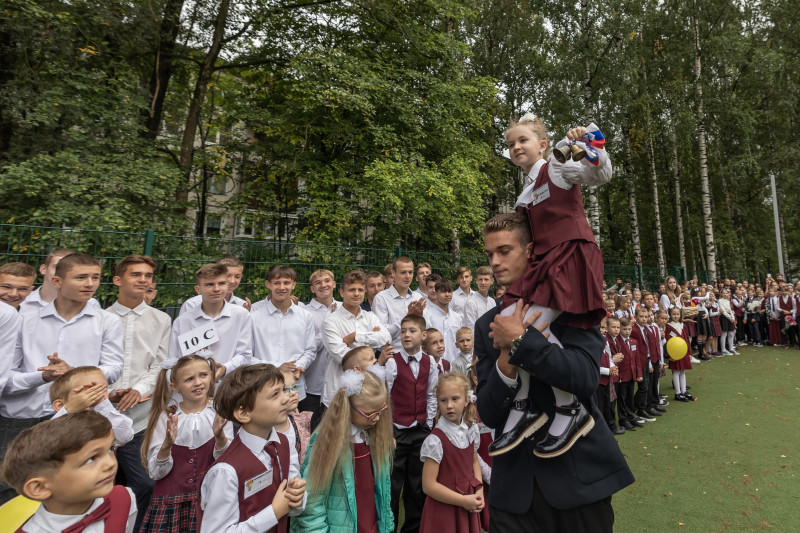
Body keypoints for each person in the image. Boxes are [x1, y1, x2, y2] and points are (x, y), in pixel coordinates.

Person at [476, 212, 633, 531]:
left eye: (504, 251)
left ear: (530, 250)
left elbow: (585, 378)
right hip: (513, 492)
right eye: (489, 254)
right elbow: (489, 413)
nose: (494, 261)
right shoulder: (486, 325)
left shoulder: (572, 308)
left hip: (579, 480)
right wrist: (506, 356)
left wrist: (522, 340)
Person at [497, 116, 612, 458]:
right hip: (543, 263)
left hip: (571, 254)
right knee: (509, 315)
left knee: (528, 326)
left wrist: (592, 147)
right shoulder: (524, 193)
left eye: (523, 140)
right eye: (511, 143)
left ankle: (568, 406)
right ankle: (525, 403)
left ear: (543, 145)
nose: (516, 147)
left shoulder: (558, 168)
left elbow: (599, 176)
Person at [0, 252, 124, 504]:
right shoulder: (23, 319)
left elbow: (113, 369)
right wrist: (43, 377)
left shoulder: (108, 321)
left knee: (66, 492)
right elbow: (6, 379)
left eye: (95, 277)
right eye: (81, 277)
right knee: (10, 489)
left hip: (75, 417)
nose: (90, 284)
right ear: (57, 281)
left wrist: (74, 373)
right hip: (20, 418)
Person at [198, 364, 306, 532]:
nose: (285, 398)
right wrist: (274, 513)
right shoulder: (226, 471)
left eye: (283, 390)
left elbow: (292, 500)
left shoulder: (283, 443)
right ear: (244, 413)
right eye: (275, 395)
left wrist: (297, 496)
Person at [107, 254, 171, 530]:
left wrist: (138, 389)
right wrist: (108, 392)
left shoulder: (162, 319)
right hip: (103, 415)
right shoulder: (101, 317)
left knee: (144, 483)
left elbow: (160, 364)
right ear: (117, 280)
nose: (143, 280)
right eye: (136, 275)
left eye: (147, 276)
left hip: (141, 418)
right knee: (104, 484)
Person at [139, 353, 232, 532]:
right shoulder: (166, 417)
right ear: (175, 386)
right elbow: (156, 473)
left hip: (209, 501)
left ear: (211, 376)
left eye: (203, 375)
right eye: (189, 379)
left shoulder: (220, 412)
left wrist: (220, 437)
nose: (198, 382)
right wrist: (167, 445)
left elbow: (227, 464)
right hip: (171, 504)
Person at [0, 411, 137, 532]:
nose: (111, 463)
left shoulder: (122, 497)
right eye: (91, 459)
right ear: (40, 487)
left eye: (110, 449)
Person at [294, 370, 394, 533]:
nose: (376, 418)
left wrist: (387, 525)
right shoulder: (326, 442)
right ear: (349, 407)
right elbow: (312, 500)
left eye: (381, 412)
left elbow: (383, 490)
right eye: (370, 414)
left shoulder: (373, 437)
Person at [384, 313, 438, 533]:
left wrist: (429, 423)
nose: (406, 334)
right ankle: (389, 527)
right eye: (404, 330)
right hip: (397, 431)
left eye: (412, 330)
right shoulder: (392, 362)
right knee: (393, 486)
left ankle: (413, 529)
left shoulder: (430, 361)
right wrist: (388, 431)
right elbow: (385, 398)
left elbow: (432, 393)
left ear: (423, 335)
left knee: (417, 487)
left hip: (421, 431)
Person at [419, 372, 486, 533]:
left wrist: (479, 489)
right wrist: (463, 500)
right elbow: (428, 485)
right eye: (444, 400)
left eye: (455, 399)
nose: (449, 405)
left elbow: (474, 461)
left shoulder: (471, 430)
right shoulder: (436, 440)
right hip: (445, 509)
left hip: (468, 503)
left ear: (466, 400)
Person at [322, 270, 391, 416]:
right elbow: (342, 357)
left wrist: (355, 337)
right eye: (351, 289)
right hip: (338, 391)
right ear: (341, 293)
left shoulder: (370, 316)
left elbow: (386, 338)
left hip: (367, 392)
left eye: (360, 290)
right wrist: (370, 348)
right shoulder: (331, 321)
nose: (357, 293)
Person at [168, 263, 253, 379]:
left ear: (227, 285)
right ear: (198, 289)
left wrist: (225, 368)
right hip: (193, 390)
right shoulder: (182, 321)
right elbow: (174, 359)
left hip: (229, 388)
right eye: (209, 284)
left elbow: (245, 355)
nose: (216, 289)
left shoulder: (241, 315)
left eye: (221, 283)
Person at [251, 265, 316, 394]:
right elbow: (248, 355)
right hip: (263, 386)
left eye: (286, 283)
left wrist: (298, 367)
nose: (281, 287)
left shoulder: (305, 316)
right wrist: (277, 367)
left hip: (295, 386)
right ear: (268, 284)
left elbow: (310, 350)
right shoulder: (253, 318)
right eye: (276, 283)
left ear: (294, 285)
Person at [49, 366, 134, 449]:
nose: (99, 394)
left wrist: (102, 405)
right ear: (60, 405)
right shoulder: (55, 426)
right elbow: (48, 441)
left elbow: (125, 436)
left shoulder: (105, 417)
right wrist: (70, 409)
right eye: (89, 390)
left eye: (103, 389)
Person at [302, 269, 340, 430]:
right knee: (309, 433)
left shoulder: (344, 308)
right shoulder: (304, 312)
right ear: (312, 288)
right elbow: (305, 348)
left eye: (326, 281)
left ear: (334, 284)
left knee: (335, 434)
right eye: (318, 282)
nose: (323, 285)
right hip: (312, 385)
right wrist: (327, 326)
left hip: (338, 384)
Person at [372, 257, 425, 349]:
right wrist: (407, 316)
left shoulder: (418, 297)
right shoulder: (381, 298)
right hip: (393, 355)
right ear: (393, 273)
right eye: (403, 272)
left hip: (417, 354)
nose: (407, 276)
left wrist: (420, 320)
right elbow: (380, 336)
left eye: (410, 272)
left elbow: (425, 331)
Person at [178, 256, 250, 314]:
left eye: (237, 276)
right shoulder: (193, 304)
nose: (232, 281)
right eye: (228, 276)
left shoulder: (242, 305)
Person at [18, 248, 76, 312]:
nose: (63, 272)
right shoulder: (19, 301)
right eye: (57, 267)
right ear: (43, 269)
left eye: (70, 269)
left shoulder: (86, 305)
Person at [277, 369, 312, 467]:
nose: (292, 393)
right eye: (285, 389)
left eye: (294, 387)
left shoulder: (297, 420)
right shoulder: (265, 429)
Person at [423, 278, 462, 363]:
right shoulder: (427, 315)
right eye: (443, 292)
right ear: (436, 293)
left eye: (449, 291)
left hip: (453, 363)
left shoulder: (457, 317)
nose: (447, 294)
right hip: (432, 363)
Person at [666, 307, 695, 402]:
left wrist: (689, 352)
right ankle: (677, 393)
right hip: (674, 354)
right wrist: (670, 355)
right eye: (673, 314)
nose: (675, 316)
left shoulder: (683, 325)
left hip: (684, 352)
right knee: (676, 371)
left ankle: (683, 391)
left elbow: (687, 339)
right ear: (670, 315)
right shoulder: (668, 326)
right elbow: (668, 341)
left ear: (680, 315)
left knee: (683, 371)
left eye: (677, 314)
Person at [462, 266, 497, 331]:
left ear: (492, 281)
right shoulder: (471, 303)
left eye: (486, 279)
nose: (483, 282)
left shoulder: (492, 302)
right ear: (476, 281)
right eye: (480, 279)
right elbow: (471, 329)